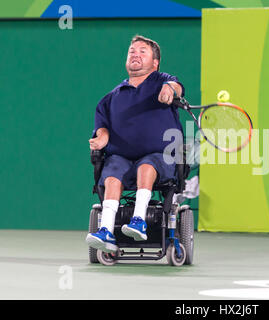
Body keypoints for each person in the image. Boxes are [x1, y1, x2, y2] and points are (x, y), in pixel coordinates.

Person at [86, 35, 184, 253]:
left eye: (142, 51)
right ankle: (106, 231)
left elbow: (176, 86)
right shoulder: (111, 98)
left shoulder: (162, 80)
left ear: (155, 62)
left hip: (160, 159)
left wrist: (170, 88)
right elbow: (102, 126)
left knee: (146, 165)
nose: (135, 54)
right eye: (132, 51)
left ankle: (139, 220)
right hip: (122, 159)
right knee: (112, 172)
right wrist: (101, 137)